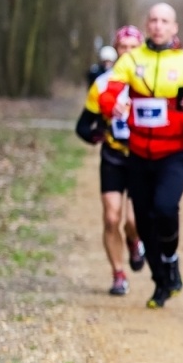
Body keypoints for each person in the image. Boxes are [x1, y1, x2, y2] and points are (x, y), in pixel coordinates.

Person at [98, 3, 183, 308]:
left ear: (175, 28)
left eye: (165, 21)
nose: (158, 26)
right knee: (144, 223)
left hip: (175, 152)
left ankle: (170, 260)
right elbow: (110, 90)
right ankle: (162, 281)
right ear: (147, 26)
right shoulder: (132, 60)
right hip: (139, 153)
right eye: (153, 20)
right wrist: (112, 105)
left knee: (165, 208)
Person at [76, 25, 146, 295]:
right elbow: (83, 126)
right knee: (110, 217)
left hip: (142, 157)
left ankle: (134, 240)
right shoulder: (103, 84)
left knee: (133, 221)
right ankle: (118, 274)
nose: (127, 52)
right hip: (114, 157)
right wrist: (99, 135)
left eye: (133, 47)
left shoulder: (150, 81)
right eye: (123, 47)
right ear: (116, 50)